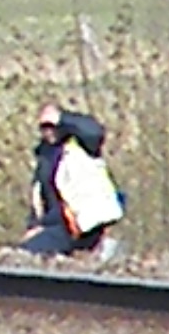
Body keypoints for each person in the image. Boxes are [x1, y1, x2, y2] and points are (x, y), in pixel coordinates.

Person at [21, 102, 124, 258]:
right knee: (23, 252)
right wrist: (34, 226)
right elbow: (40, 198)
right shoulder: (44, 157)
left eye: (52, 126)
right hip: (57, 224)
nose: (49, 131)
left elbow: (94, 131)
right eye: (44, 127)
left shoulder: (82, 146)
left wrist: (62, 117)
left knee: (31, 252)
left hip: (83, 223)